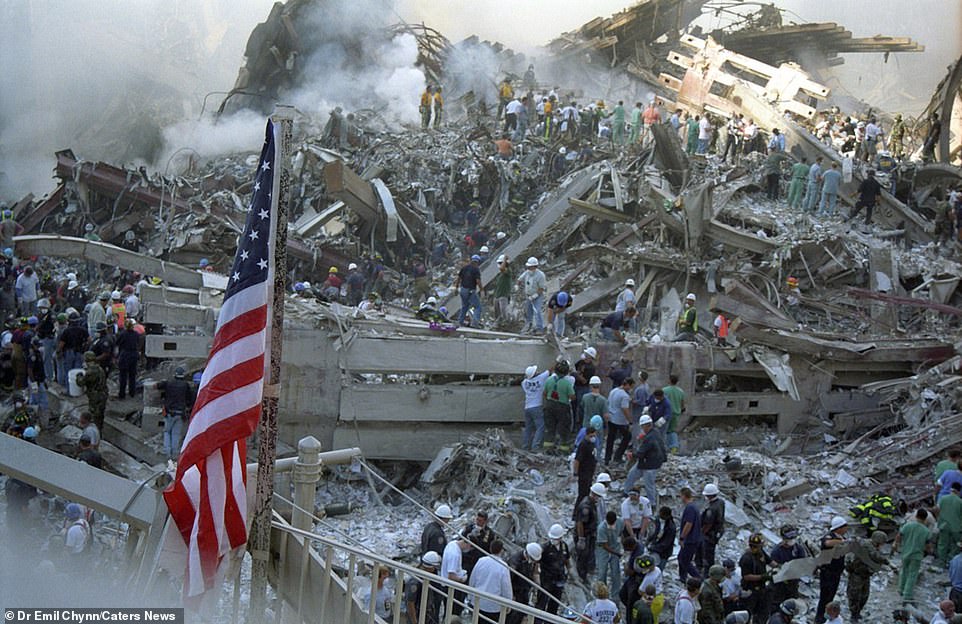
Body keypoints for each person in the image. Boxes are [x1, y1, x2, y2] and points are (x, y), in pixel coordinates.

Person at [844, 530, 888, 621]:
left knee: (864, 595)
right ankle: (854, 614)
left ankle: (858, 612)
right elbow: (875, 556)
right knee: (854, 595)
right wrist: (886, 561)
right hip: (857, 574)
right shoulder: (866, 545)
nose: (882, 546)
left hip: (865, 574)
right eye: (881, 543)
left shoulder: (873, 546)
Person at [625, 414, 667, 505]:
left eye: (642, 426)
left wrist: (632, 454)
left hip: (650, 465)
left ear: (646, 426)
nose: (642, 428)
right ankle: (626, 492)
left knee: (649, 485)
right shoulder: (655, 432)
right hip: (648, 462)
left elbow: (640, 453)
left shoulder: (649, 438)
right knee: (631, 475)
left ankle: (652, 503)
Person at [814, 516, 849, 623]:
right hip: (827, 573)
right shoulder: (830, 537)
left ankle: (827, 616)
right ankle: (820, 619)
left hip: (836, 573)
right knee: (825, 597)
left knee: (830, 596)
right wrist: (841, 542)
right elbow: (826, 543)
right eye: (844, 526)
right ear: (839, 528)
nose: (846, 528)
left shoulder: (841, 537)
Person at [157, 366, 196, 461]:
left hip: (169, 412)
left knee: (167, 432)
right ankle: (175, 454)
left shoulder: (169, 383)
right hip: (180, 413)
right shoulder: (186, 385)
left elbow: (158, 386)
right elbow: (190, 398)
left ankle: (167, 453)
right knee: (176, 434)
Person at [469, 540, 512, 622]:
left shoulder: (481, 561)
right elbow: (506, 588)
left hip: (478, 601)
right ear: (501, 551)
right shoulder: (503, 566)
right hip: (493, 606)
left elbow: (472, 579)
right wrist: (508, 603)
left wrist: (470, 596)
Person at [895, 508, 932, 604]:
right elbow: (928, 545)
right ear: (925, 518)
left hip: (905, 552)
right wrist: (929, 552)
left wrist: (897, 545)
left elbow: (899, 536)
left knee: (904, 571)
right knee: (912, 574)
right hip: (917, 555)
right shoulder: (926, 531)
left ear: (916, 516)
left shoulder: (907, 525)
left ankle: (901, 589)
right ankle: (907, 594)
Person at [537, 524, 571, 620]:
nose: (554, 540)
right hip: (546, 580)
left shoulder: (564, 547)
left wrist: (569, 571)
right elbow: (537, 562)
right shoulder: (545, 548)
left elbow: (567, 560)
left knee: (554, 605)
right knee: (541, 604)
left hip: (559, 580)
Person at [740, 533, 773, 624]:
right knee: (748, 613)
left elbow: (770, 562)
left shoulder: (761, 553)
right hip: (750, 590)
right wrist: (763, 577)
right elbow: (746, 576)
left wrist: (779, 568)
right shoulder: (746, 558)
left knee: (761, 613)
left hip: (761, 588)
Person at [769, 525, 806, 605]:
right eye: (790, 538)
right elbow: (775, 568)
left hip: (793, 583)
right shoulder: (777, 551)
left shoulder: (798, 548)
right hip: (779, 585)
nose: (792, 539)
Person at [543, 360, 575, 451]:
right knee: (564, 429)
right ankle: (563, 450)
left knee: (550, 429)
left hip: (549, 405)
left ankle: (548, 449)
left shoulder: (549, 380)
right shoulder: (567, 383)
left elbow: (544, 393)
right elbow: (572, 397)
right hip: (562, 407)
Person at [575, 483, 604, 581]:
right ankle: (581, 576)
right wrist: (581, 539)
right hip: (585, 535)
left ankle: (587, 573)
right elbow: (580, 523)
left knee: (588, 555)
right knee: (583, 556)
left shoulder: (591, 503)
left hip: (590, 534)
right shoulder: (586, 506)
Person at [507, 543, 542, 624]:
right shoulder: (515, 562)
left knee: (520, 615)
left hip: (524, 592)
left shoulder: (531, 561)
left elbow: (534, 573)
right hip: (515, 593)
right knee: (511, 618)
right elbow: (508, 580)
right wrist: (511, 596)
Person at [405, 551, 442, 624]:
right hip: (418, 616)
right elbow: (410, 603)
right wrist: (415, 622)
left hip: (427, 615)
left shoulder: (426, 577)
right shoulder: (415, 581)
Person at [75, 351, 107, 432]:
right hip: (103, 395)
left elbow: (81, 383)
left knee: (94, 417)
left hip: (95, 397)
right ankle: (99, 432)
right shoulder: (99, 368)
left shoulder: (91, 371)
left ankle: (95, 434)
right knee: (100, 416)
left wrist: (79, 375)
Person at [697, 484, 725, 574]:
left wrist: (701, 533)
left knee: (707, 554)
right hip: (717, 532)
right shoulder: (721, 502)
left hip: (710, 535)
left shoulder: (711, 509)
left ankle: (707, 573)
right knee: (710, 553)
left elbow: (708, 524)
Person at [521, 364, 550, 451]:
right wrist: (558, 359)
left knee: (528, 428)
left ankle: (525, 446)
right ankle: (535, 447)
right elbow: (550, 370)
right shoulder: (540, 378)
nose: (538, 372)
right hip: (536, 406)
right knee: (540, 427)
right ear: (534, 374)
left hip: (527, 407)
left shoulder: (524, 382)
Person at [678, 487, 703, 584]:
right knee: (681, 558)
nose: (680, 498)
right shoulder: (694, 507)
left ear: (684, 496)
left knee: (684, 560)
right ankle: (682, 578)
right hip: (693, 538)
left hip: (690, 539)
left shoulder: (690, 508)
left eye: (681, 496)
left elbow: (688, 524)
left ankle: (698, 578)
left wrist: (682, 537)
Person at [606, 376, 634, 465]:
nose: (631, 389)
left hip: (611, 418)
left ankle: (607, 458)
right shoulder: (624, 396)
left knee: (610, 438)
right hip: (620, 421)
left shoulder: (613, 391)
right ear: (627, 385)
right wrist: (630, 421)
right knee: (627, 436)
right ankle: (618, 456)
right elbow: (625, 409)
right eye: (631, 386)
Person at [461, 511, 495, 582]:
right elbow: (461, 539)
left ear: (485, 521)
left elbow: (489, 549)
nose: (477, 522)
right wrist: (470, 535)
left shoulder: (489, 533)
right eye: (477, 519)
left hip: (478, 561)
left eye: (480, 521)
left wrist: (478, 538)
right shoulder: (469, 527)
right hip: (466, 559)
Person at [574, 429, 600, 517]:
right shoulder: (583, 445)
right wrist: (575, 473)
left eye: (594, 436)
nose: (593, 438)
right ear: (586, 435)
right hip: (583, 474)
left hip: (589, 473)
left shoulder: (592, 444)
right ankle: (577, 515)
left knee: (587, 494)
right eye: (591, 436)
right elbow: (577, 460)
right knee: (582, 495)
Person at [596, 511, 623, 594]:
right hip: (603, 550)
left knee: (615, 572)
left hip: (615, 546)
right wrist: (617, 553)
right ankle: (602, 593)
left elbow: (621, 533)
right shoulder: (601, 528)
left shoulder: (620, 522)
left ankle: (615, 594)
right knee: (602, 572)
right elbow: (604, 545)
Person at [518, 257, 546, 334]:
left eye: (530, 267)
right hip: (528, 295)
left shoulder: (540, 275)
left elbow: (541, 288)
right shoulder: (527, 273)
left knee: (537, 311)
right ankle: (528, 325)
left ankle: (539, 328)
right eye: (528, 267)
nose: (529, 268)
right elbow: (520, 279)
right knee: (528, 311)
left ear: (535, 266)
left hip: (537, 296)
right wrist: (518, 285)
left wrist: (534, 296)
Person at [454, 255, 482, 327]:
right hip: (470, 290)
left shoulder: (464, 268)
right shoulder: (476, 269)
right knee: (478, 306)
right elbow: (478, 281)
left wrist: (456, 288)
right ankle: (475, 323)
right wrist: (482, 290)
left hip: (463, 290)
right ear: (477, 262)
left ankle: (460, 321)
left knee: (465, 306)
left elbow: (458, 278)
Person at [115, 318, 139, 399]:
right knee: (132, 375)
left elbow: (117, 343)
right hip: (134, 354)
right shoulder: (136, 334)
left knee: (123, 376)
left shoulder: (122, 334)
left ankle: (122, 394)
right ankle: (132, 393)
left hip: (125, 355)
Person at [663, 374, 686, 453]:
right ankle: (674, 446)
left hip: (666, 413)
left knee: (664, 430)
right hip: (676, 413)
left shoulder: (664, 390)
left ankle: (664, 446)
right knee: (672, 430)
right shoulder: (680, 391)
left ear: (669, 380)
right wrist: (682, 409)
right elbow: (682, 403)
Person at [940, 483, 962, 567]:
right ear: (959, 491)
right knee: (956, 545)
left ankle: (941, 562)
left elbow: (938, 510)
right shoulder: (960, 502)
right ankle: (950, 562)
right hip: (956, 528)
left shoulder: (943, 499)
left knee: (942, 545)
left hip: (944, 525)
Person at [648, 506, 676, 570]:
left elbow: (666, 543)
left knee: (659, 570)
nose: (660, 517)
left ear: (667, 516)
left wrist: (653, 548)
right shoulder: (658, 521)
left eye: (662, 516)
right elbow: (655, 533)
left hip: (664, 553)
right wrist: (649, 540)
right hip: (655, 548)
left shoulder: (671, 528)